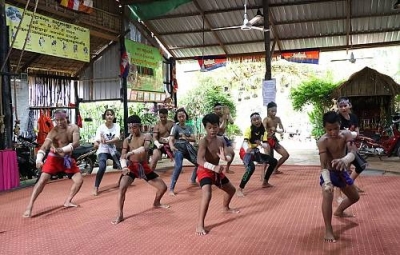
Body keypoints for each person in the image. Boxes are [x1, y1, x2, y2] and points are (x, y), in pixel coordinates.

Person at [22, 110, 83, 218]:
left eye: (61, 119)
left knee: (79, 181)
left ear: (66, 118)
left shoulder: (74, 128)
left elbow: (76, 143)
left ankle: (68, 201)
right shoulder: (53, 131)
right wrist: (39, 159)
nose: (59, 122)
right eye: (57, 120)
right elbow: (44, 146)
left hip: (66, 159)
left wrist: (62, 149)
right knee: (41, 181)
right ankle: (29, 206)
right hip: (53, 159)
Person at [112, 115, 169, 225]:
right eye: (130, 128)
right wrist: (124, 167)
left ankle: (156, 203)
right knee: (122, 187)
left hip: (144, 167)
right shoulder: (127, 140)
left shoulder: (146, 135)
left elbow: (146, 148)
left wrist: (132, 152)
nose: (132, 130)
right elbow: (123, 156)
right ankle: (120, 214)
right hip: (132, 167)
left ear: (140, 126)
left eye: (134, 127)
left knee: (163, 188)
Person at [317, 111, 360, 242]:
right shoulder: (322, 141)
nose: (333, 132)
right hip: (329, 173)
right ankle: (328, 229)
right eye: (329, 129)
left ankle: (339, 211)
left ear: (340, 124)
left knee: (355, 197)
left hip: (342, 172)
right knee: (327, 194)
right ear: (324, 128)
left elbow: (354, 151)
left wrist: (345, 160)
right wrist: (328, 182)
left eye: (336, 128)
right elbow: (323, 164)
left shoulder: (346, 134)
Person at [195, 113, 239, 235]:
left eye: (215, 127)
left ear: (218, 126)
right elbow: (199, 160)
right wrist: (212, 167)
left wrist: (227, 158)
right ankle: (200, 224)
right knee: (207, 194)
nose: (212, 130)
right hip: (205, 170)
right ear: (205, 128)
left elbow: (229, 155)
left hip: (217, 170)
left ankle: (226, 207)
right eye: (209, 127)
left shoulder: (221, 140)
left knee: (231, 190)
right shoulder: (203, 141)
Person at [237, 112, 278, 197]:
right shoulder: (249, 129)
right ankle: (240, 189)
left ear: (260, 119)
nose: (256, 121)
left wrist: (261, 144)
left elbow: (266, 145)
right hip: (245, 152)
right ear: (251, 121)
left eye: (258, 119)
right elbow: (245, 142)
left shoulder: (263, 131)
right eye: (254, 120)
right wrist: (247, 149)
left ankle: (265, 182)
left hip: (255, 151)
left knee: (273, 161)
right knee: (251, 168)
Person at [336, 96, 366, 191]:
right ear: (338, 107)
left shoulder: (353, 117)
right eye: (341, 106)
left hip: (351, 147)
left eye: (345, 105)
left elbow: (357, 132)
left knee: (361, 166)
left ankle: (350, 184)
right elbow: (336, 134)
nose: (343, 108)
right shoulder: (337, 119)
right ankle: (339, 194)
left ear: (350, 106)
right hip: (340, 148)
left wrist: (352, 135)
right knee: (341, 169)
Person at [168, 108, 198, 196]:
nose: (181, 118)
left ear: (186, 116)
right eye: (179, 116)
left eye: (183, 116)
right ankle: (171, 189)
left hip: (187, 148)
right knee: (178, 166)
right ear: (177, 118)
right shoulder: (175, 127)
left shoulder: (189, 127)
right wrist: (172, 147)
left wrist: (186, 138)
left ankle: (193, 180)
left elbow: (194, 138)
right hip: (178, 149)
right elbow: (171, 139)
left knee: (198, 163)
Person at [92, 109, 121, 196]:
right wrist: (96, 144)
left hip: (113, 151)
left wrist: (107, 142)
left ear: (114, 116)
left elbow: (117, 138)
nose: (109, 116)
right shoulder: (101, 127)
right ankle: (96, 187)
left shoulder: (116, 126)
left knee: (125, 163)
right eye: (107, 115)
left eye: (111, 115)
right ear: (105, 116)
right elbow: (96, 141)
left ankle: (121, 181)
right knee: (102, 167)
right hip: (103, 150)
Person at [263, 101, 289, 174]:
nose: (274, 113)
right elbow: (262, 129)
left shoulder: (278, 119)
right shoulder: (266, 119)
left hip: (274, 140)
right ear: (268, 111)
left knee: (285, 155)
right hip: (267, 141)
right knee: (267, 158)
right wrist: (269, 129)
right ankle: (263, 174)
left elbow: (282, 129)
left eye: (275, 111)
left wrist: (277, 130)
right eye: (272, 111)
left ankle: (275, 169)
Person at [213, 103, 236, 173]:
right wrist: (225, 119)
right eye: (216, 109)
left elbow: (232, 122)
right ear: (214, 110)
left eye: (219, 108)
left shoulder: (225, 115)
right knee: (215, 156)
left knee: (232, 153)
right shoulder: (213, 117)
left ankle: (227, 168)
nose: (218, 110)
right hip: (215, 138)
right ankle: (214, 170)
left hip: (222, 137)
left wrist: (228, 114)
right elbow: (220, 128)